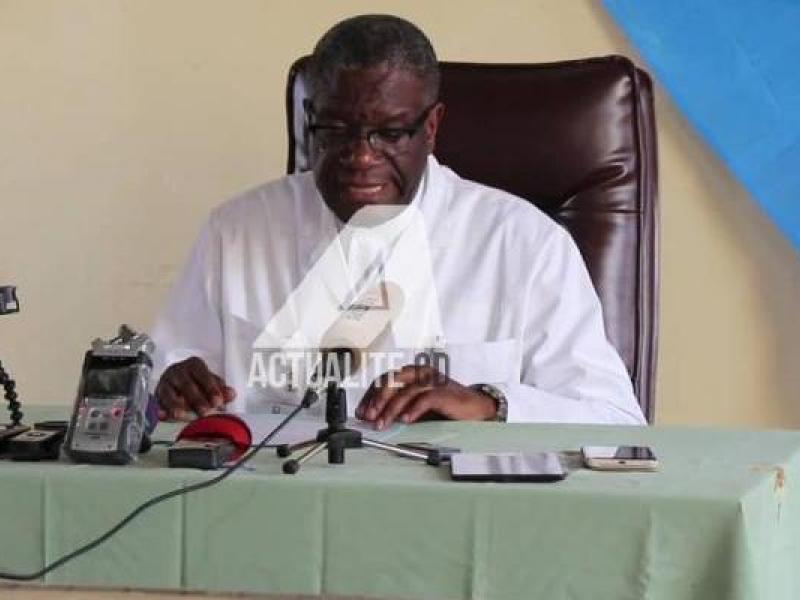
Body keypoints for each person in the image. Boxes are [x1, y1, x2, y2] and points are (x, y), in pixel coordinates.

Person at [151, 14, 646, 427]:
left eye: (389, 133)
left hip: (456, 523)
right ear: (310, 120)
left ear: (430, 127)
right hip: (275, 515)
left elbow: (615, 421)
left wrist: (489, 403)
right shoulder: (235, 233)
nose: (360, 157)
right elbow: (162, 381)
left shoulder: (524, 245)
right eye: (338, 130)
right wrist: (166, 388)